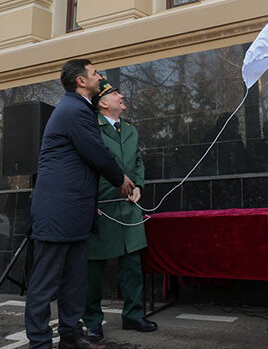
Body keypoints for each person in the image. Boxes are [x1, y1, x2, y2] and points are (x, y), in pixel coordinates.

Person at [25, 59, 134, 349]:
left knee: (74, 281)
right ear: (81, 82)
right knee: (44, 283)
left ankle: (71, 336)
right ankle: (39, 342)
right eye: (95, 73)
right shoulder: (74, 109)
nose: (100, 77)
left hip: (75, 211)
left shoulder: (78, 109)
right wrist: (120, 178)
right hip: (57, 211)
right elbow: (96, 152)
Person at [83, 77, 157, 342]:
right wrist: (91, 201)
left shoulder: (130, 129)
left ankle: (133, 314)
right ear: (102, 102)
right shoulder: (92, 128)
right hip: (103, 206)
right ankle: (91, 320)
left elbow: (137, 161)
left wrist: (138, 185)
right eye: (115, 94)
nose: (122, 96)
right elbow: (86, 166)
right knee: (94, 269)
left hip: (129, 207)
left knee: (132, 265)